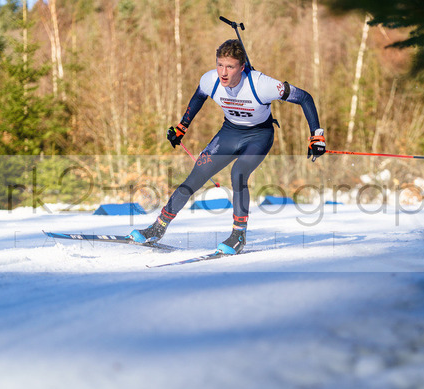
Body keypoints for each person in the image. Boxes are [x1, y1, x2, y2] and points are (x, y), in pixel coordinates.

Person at [127, 39, 325, 254]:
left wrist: (317, 136)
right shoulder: (210, 80)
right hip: (229, 133)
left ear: (242, 67)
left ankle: (238, 235)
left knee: (238, 173)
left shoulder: (262, 84)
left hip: (259, 136)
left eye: (230, 67)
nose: (223, 72)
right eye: (220, 65)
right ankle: (157, 228)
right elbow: (198, 97)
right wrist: (182, 127)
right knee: (195, 176)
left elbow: (304, 97)